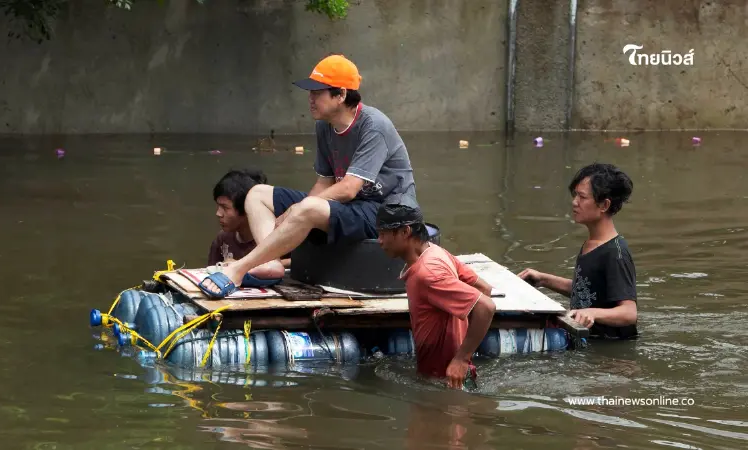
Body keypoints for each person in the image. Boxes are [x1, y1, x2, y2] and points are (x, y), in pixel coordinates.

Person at [199, 54, 418, 298]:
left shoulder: (374, 126)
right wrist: (300, 210)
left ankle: (238, 270)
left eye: (317, 93)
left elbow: (348, 189)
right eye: (310, 92)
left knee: (308, 207)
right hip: (350, 208)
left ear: (341, 95)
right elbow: (325, 181)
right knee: (257, 194)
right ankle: (270, 263)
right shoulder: (324, 125)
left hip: (386, 212)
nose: (310, 99)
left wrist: (301, 208)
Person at [376, 202, 496, 389]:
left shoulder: (428, 274)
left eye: (383, 234)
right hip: (452, 379)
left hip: (444, 382)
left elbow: (485, 306)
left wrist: (461, 358)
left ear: (405, 232)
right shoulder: (436, 252)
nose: (379, 241)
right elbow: (484, 288)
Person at [518, 163, 638, 339]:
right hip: (586, 339)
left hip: (608, 346)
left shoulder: (616, 253)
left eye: (582, 197)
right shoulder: (591, 244)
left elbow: (629, 313)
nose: (574, 202)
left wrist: (592, 313)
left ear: (604, 205)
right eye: (575, 195)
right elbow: (586, 290)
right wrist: (543, 279)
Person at [208, 168, 287, 285]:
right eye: (218, 206)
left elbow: (297, 264)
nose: (218, 213)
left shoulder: (277, 235)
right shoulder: (223, 239)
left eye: (225, 208)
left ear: (246, 209)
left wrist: (242, 265)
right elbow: (209, 271)